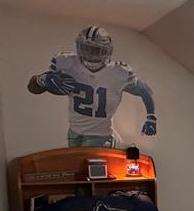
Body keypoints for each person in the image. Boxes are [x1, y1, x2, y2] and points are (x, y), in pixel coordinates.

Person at [28, 26, 156, 147]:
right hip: (74, 133)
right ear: (79, 48)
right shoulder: (66, 63)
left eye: (97, 50)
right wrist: (43, 79)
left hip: (101, 136)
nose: (91, 55)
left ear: (107, 52)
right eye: (87, 49)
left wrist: (151, 117)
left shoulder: (119, 72)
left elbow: (145, 90)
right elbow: (33, 88)